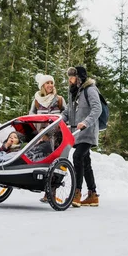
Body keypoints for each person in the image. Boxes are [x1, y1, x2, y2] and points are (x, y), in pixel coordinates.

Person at [62, 66, 102, 207]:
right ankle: (93, 194)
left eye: (72, 77)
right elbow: (68, 111)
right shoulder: (73, 92)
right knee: (85, 162)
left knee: (77, 157)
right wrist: (58, 120)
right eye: (69, 77)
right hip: (77, 133)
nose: (70, 80)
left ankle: (76, 192)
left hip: (88, 131)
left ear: (79, 78)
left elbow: (97, 109)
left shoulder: (90, 89)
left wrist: (86, 122)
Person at [30, 73, 66, 202]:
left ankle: (51, 193)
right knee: (43, 162)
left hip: (57, 137)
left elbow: (65, 115)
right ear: (42, 86)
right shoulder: (36, 101)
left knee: (54, 164)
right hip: (42, 136)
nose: (50, 85)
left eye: (52, 83)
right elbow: (31, 116)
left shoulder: (59, 99)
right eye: (48, 83)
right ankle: (43, 188)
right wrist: (40, 131)